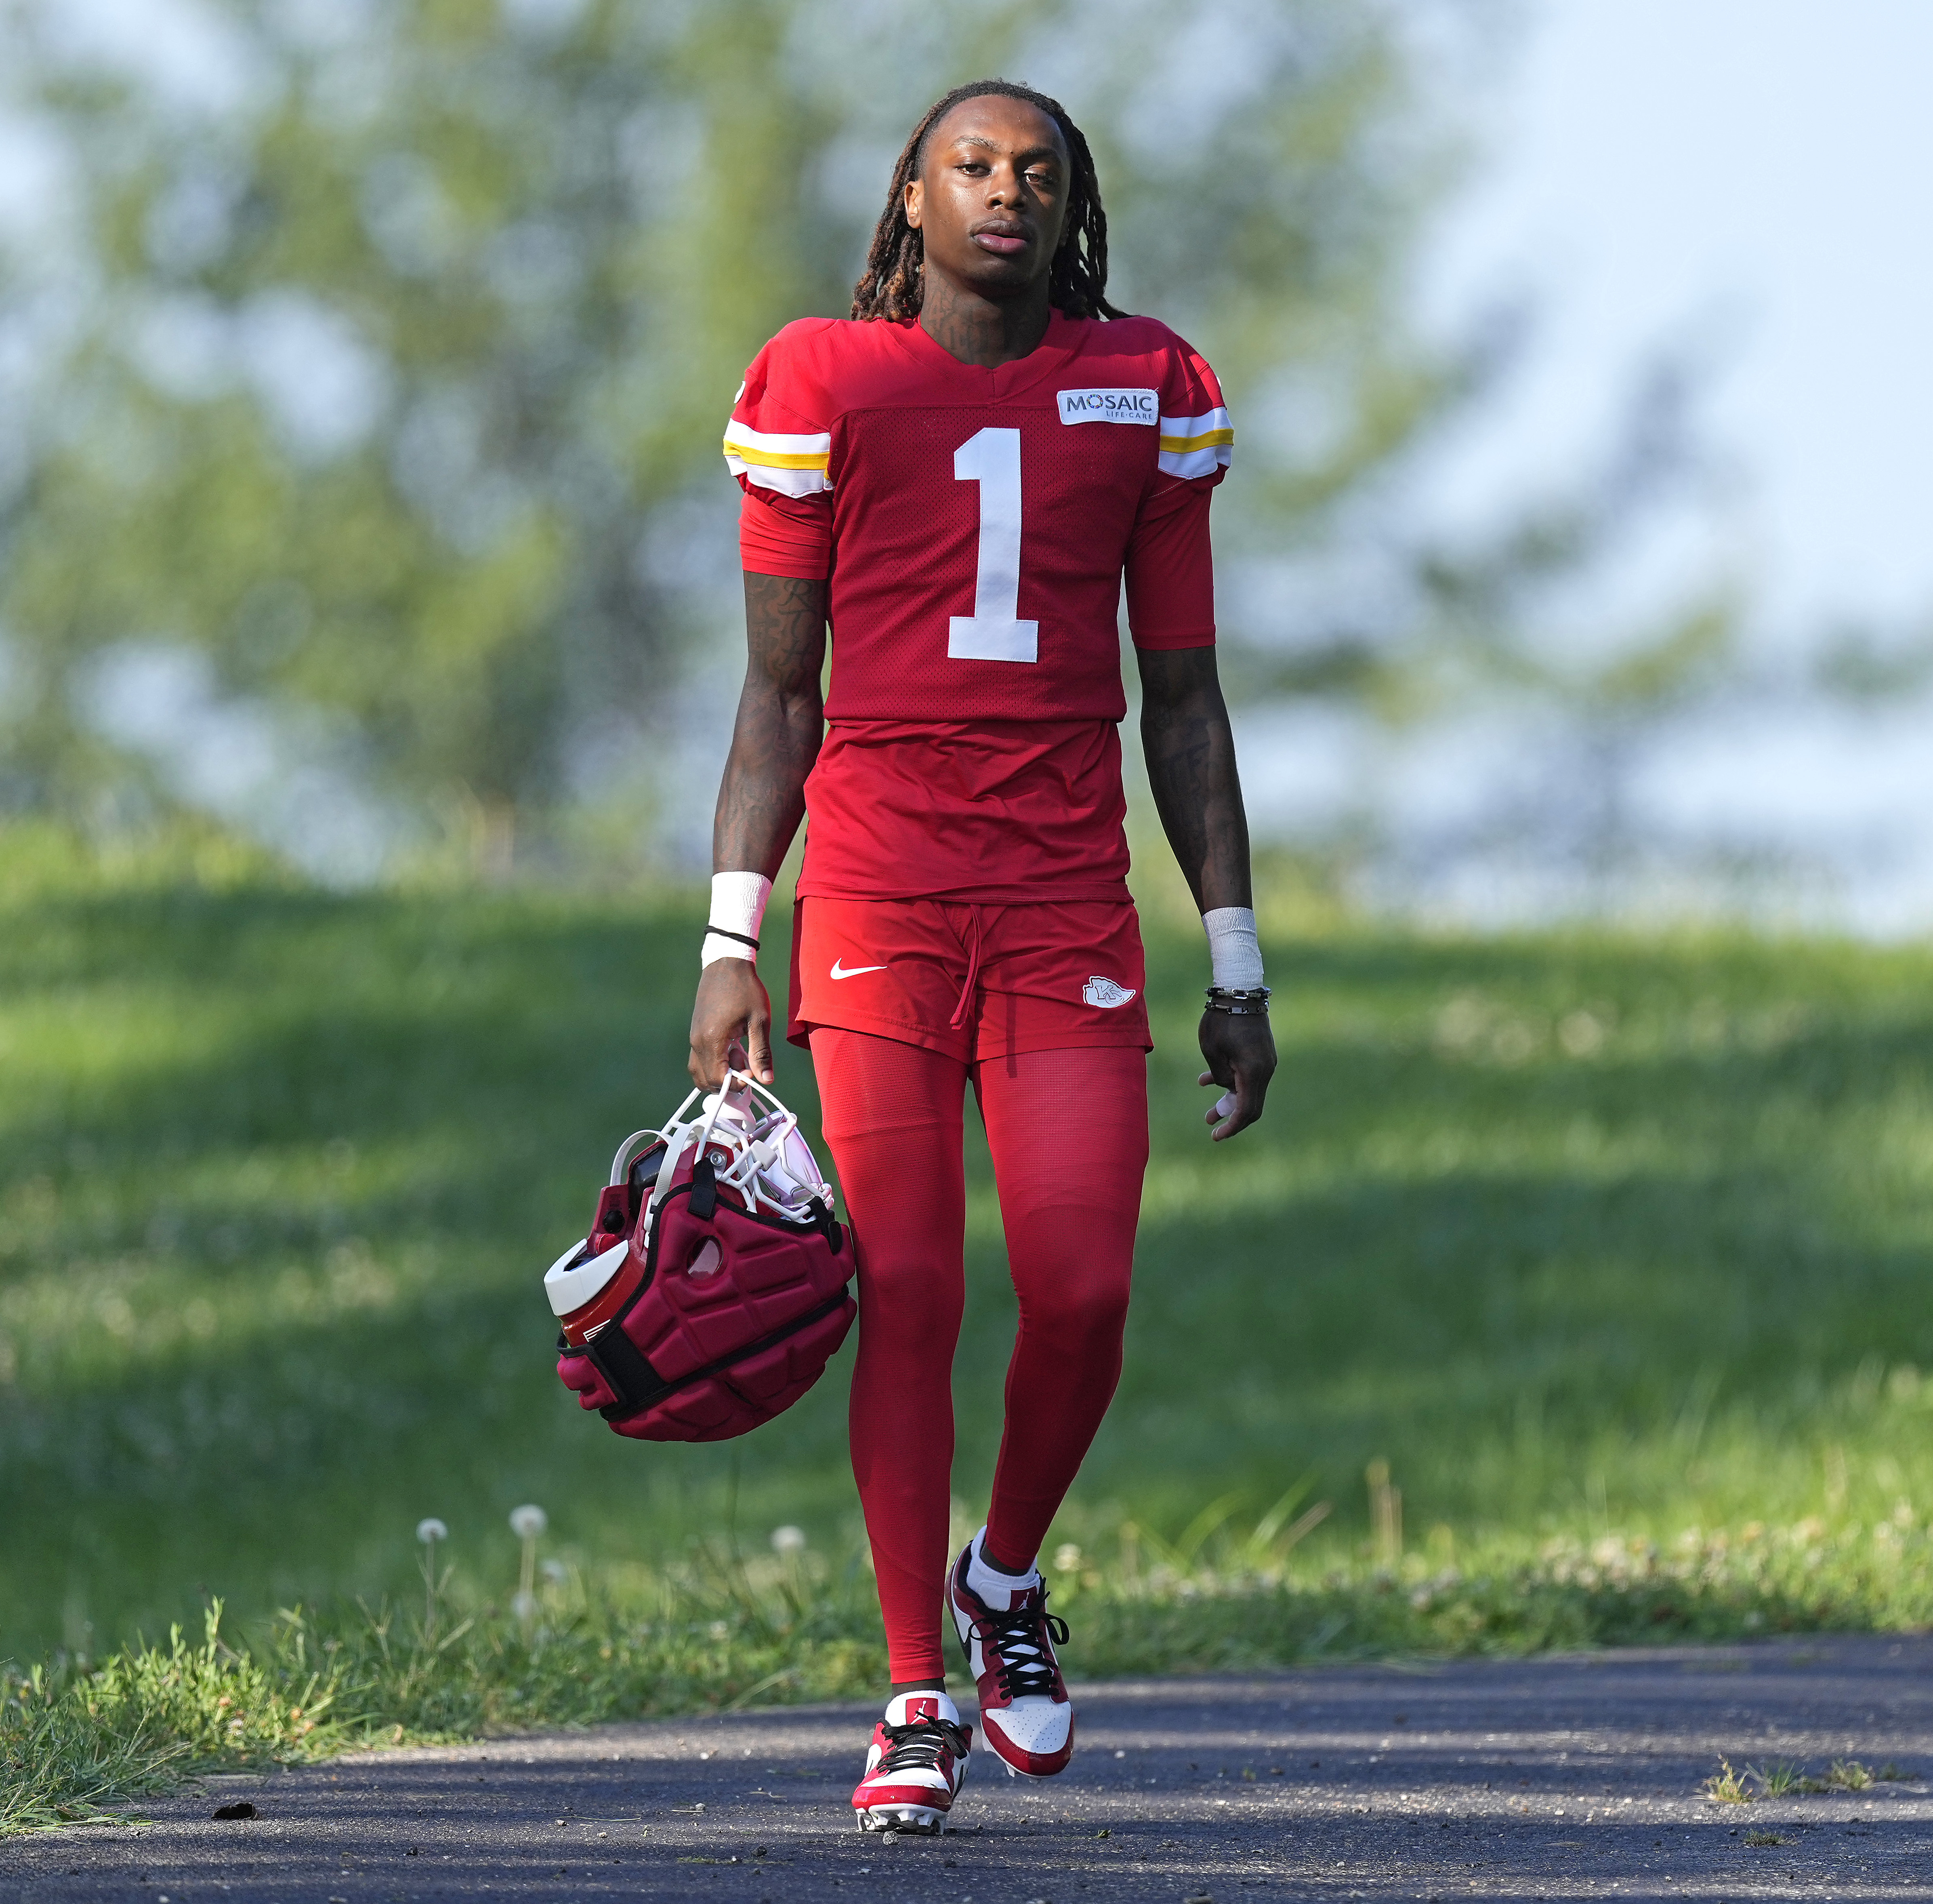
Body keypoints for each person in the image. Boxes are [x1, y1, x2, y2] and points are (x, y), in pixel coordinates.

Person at [688, 77, 1277, 1834]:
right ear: (912, 199)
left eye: (1038, 172)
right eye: (972, 168)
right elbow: (776, 694)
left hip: (1062, 905)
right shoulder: (823, 381)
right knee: (914, 1289)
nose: (1005, 195)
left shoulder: (1144, 387)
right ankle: (909, 1689)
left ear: (1072, 203)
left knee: (1084, 1289)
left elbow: (1182, 699)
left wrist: (1233, 958)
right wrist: (730, 940)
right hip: (873, 898)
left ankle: (1003, 1582)